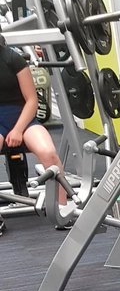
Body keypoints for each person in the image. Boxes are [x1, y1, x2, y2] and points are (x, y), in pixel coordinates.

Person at [0, 32, 65, 186]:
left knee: (49, 154)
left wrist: (17, 130)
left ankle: (61, 202)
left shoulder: (13, 59)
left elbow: (32, 100)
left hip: (23, 119)